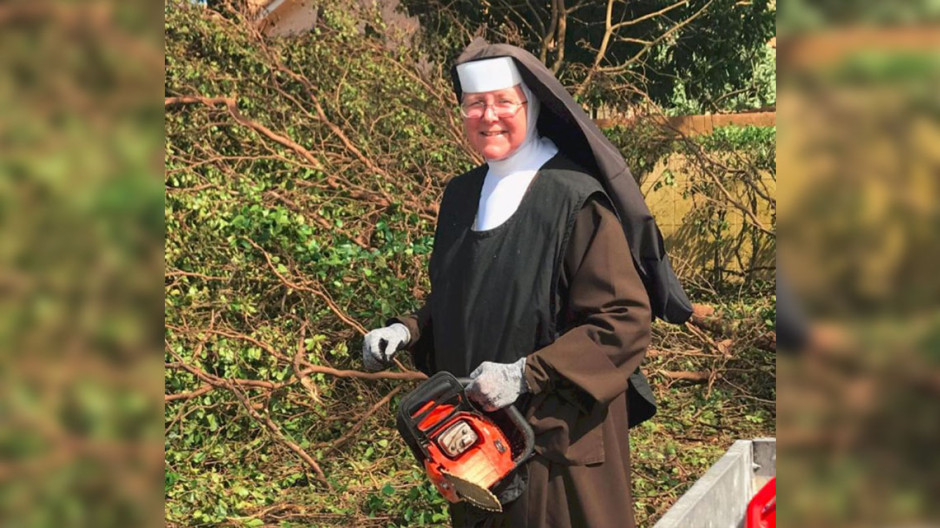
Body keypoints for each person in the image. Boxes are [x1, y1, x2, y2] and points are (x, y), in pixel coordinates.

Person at [362, 39, 692, 527]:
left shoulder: (574, 198)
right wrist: (406, 330)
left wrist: (524, 374)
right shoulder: (461, 196)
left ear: (530, 104)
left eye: (502, 102)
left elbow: (624, 319)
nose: (488, 116)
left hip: (559, 449)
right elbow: (465, 295)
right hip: (478, 450)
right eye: (475, 104)